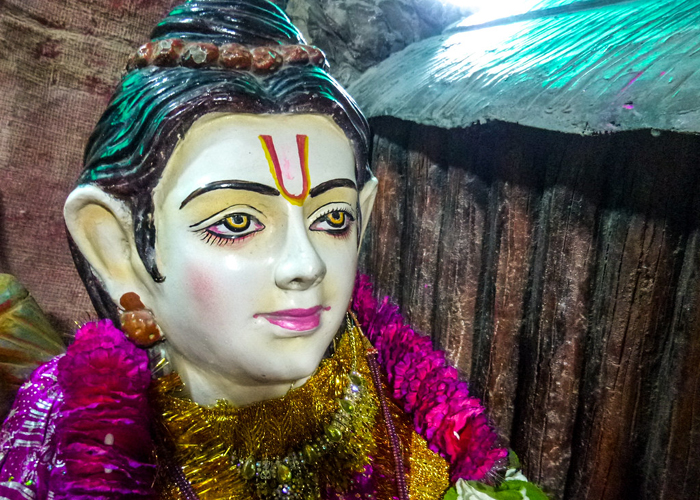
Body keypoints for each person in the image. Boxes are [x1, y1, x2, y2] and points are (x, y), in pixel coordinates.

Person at [0, 1, 546, 499]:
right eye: (237, 222)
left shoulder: (408, 399)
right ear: (115, 246)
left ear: (365, 214)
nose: (305, 265)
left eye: (334, 219)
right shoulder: (63, 438)